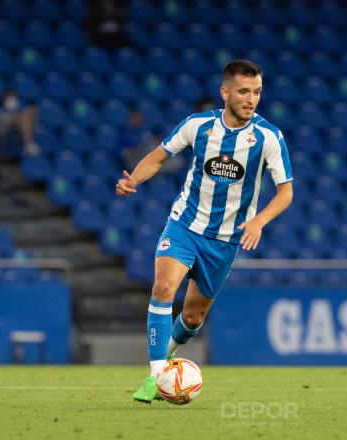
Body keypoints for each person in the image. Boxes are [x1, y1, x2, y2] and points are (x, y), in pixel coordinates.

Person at [116, 60, 293, 403]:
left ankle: (166, 361)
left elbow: (286, 191)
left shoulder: (269, 136)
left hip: (225, 241)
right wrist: (133, 179)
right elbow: (158, 156)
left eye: (257, 92)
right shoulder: (197, 126)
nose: (251, 99)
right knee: (164, 285)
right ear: (225, 92)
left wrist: (258, 221)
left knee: (194, 317)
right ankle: (156, 376)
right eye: (244, 91)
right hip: (185, 225)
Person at [0, 89, 40, 156]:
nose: (12, 98)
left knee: (32, 110)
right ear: (3, 98)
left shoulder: (18, 111)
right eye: (9, 96)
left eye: (14, 96)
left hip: (18, 135)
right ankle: (28, 145)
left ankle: (28, 144)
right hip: (4, 137)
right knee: (25, 116)